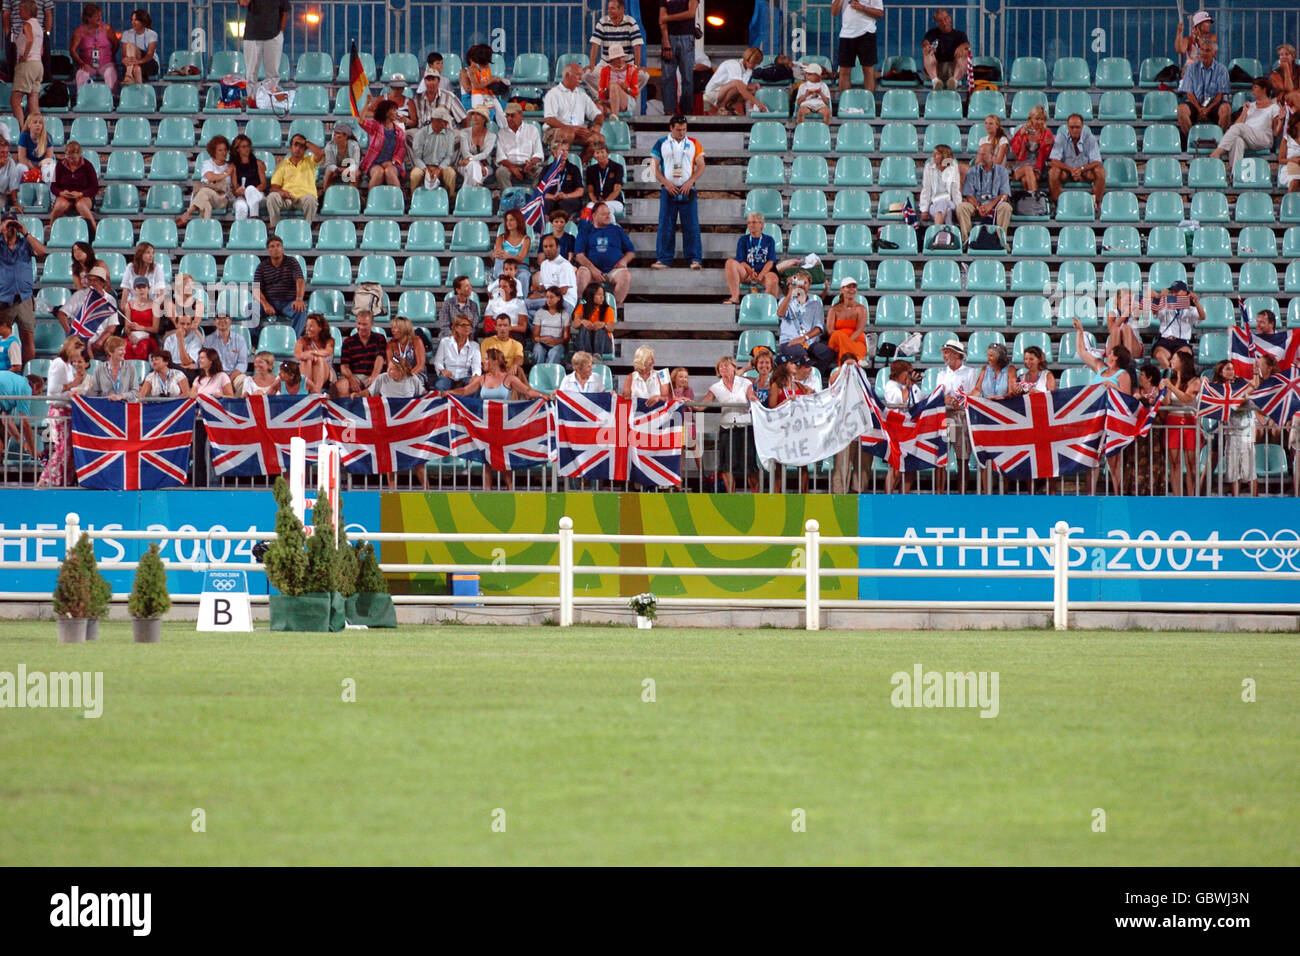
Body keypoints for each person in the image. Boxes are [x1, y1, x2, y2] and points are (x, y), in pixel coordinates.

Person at [444, 348, 549, 490]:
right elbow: (464, 391)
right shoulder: (482, 378)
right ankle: (487, 491)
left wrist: (541, 395)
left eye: (486, 359)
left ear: (495, 361)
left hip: (504, 426)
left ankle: (511, 491)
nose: (483, 362)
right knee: (485, 459)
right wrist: (448, 393)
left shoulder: (509, 378)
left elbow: (527, 391)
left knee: (504, 460)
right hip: (485, 425)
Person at [650, 114, 704, 271]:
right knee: (665, 225)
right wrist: (665, 183)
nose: (682, 133)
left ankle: (694, 259)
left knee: (691, 225)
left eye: (684, 129)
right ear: (671, 128)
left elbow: (701, 165)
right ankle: (664, 259)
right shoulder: (661, 143)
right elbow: (653, 166)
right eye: (679, 129)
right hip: (669, 189)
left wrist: (691, 181)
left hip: (688, 189)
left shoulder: (694, 143)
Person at [36, 337, 87, 487]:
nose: (78, 357)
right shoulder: (58, 364)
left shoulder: (67, 366)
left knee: (69, 451)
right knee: (62, 450)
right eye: (78, 352)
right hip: (59, 411)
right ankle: (45, 479)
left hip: (67, 410)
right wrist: (73, 385)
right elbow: (54, 391)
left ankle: (64, 481)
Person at [706, 355, 759, 493]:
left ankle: (756, 496)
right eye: (720, 366)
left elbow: (750, 395)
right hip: (726, 427)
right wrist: (684, 402)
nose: (723, 368)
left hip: (745, 427)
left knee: (750, 465)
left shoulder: (744, 382)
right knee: (726, 465)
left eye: (726, 365)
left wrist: (753, 398)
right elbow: (702, 405)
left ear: (734, 368)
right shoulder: (715, 387)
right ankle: (731, 497)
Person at [1212, 77, 1282, 171]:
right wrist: (1244, 111)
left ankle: (1217, 152)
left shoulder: (1274, 108)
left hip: (1264, 138)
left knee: (1240, 128)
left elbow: (1275, 132)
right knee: (1237, 140)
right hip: (1248, 137)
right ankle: (1235, 174)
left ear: (1264, 89)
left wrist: (1280, 120)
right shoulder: (1250, 106)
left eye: (1255, 87)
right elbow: (1236, 126)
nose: (1252, 89)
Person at [935, 338, 978, 491]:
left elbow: (973, 395)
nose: (944, 356)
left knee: (962, 458)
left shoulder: (970, 372)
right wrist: (944, 399)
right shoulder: (941, 374)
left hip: (961, 416)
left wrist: (958, 401)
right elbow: (937, 395)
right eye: (944, 353)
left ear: (956, 354)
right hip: (946, 416)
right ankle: (939, 493)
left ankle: (962, 494)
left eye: (946, 352)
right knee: (941, 457)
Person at [0, 208, 42, 364]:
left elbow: (42, 251)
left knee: (28, 337)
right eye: (7, 222)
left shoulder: (25, 243)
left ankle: (27, 375)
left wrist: (26, 233)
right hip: (4, 297)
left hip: (24, 297)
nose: (9, 226)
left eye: (12, 223)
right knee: (3, 336)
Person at [574, 202, 634, 307]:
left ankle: (611, 308)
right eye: (604, 214)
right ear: (594, 216)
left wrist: (623, 261)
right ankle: (583, 307)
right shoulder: (585, 231)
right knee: (581, 273)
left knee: (626, 276)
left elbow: (631, 252)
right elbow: (579, 255)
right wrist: (593, 269)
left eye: (608, 213)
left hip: (613, 270)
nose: (608, 216)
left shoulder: (616, 230)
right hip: (591, 270)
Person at [776, 270, 834, 376]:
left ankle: (814, 377)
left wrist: (804, 338)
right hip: (790, 341)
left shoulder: (816, 304)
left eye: (805, 283)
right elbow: (780, 313)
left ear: (809, 285)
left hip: (808, 342)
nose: (801, 286)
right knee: (800, 353)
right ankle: (801, 379)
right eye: (799, 282)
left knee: (827, 353)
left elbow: (819, 327)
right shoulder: (785, 300)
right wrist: (790, 293)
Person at [1048, 114, 1106, 212]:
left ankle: (1095, 203)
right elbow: (1054, 160)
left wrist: (1081, 169)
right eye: (1072, 127)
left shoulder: (1090, 138)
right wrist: (1071, 170)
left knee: (1100, 171)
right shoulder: (1061, 137)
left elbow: (1097, 161)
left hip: (1085, 172)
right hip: (1066, 172)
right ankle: (1058, 204)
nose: (1075, 130)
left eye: (1077, 127)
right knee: (1053, 172)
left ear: (1082, 127)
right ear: (1067, 127)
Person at [266, 134, 325, 228]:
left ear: (305, 150)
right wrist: (281, 192)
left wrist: (305, 142)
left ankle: (306, 228)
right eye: (295, 145)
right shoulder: (282, 165)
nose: (298, 149)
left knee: (311, 199)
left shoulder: (310, 161)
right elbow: (274, 187)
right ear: (290, 147)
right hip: (287, 199)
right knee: (272, 197)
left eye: (301, 146)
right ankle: (275, 227)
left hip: (303, 199)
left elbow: (320, 154)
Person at [587, 0, 645, 96]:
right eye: (608, 8)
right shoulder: (603, 22)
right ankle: (606, 95)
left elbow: (637, 46)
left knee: (644, 76)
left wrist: (636, 66)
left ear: (622, 9)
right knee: (587, 75)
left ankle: (625, 95)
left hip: (626, 64)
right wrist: (592, 65)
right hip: (606, 64)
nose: (609, 11)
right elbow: (595, 44)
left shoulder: (631, 22)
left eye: (612, 8)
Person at [955, 142, 1011, 243]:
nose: (980, 157)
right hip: (977, 203)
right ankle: (968, 240)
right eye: (979, 154)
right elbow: (969, 194)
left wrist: (990, 205)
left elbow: (1004, 195)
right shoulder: (972, 171)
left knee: (1006, 207)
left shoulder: (1002, 171)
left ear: (992, 155)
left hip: (995, 204)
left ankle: (1000, 240)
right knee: (961, 207)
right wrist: (978, 206)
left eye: (983, 154)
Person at [544, 62, 605, 152]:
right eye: (578, 75)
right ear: (567, 75)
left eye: (581, 75)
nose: (581, 78)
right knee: (568, 134)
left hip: (576, 131)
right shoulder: (553, 93)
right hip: (554, 131)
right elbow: (549, 120)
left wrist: (597, 125)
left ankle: (580, 164)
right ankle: (562, 164)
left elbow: (598, 115)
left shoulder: (582, 95)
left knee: (598, 139)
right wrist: (571, 128)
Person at [252, 236, 307, 335]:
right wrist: (265, 304)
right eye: (272, 246)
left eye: (278, 245)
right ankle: (255, 342)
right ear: (268, 250)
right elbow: (256, 289)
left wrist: (299, 299)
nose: (276, 248)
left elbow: (300, 280)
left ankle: (294, 341)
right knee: (250, 308)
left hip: (288, 303)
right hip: (269, 302)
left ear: (283, 248)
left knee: (301, 310)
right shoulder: (262, 266)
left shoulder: (292, 262)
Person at [1177, 40, 1231, 137]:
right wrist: (1199, 108)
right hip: (1195, 103)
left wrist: (1208, 109)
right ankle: (1191, 139)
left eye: (1207, 50)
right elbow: (1189, 93)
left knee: (1226, 109)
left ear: (1215, 53)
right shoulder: (1191, 69)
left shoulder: (1222, 69)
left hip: (1214, 105)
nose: (1203, 53)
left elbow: (1220, 94)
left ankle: (1220, 139)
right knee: (1181, 109)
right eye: (1202, 50)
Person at [724, 212, 779, 304]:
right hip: (747, 273)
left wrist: (761, 275)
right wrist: (750, 271)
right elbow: (741, 260)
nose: (751, 225)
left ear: (761, 224)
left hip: (763, 273)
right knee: (730, 263)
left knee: (773, 279)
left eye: (754, 222)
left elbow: (770, 261)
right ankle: (735, 297)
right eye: (749, 223)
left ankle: (767, 306)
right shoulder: (743, 240)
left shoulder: (769, 240)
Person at [176, 136, 232, 226]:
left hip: (221, 198)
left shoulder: (230, 166)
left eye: (225, 150)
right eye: (220, 150)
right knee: (207, 206)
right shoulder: (208, 163)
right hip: (206, 198)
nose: (224, 153)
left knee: (204, 191)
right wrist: (226, 174)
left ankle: (187, 213)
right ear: (214, 152)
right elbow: (210, 177)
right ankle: (206, 229)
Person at [240, 0, 289, 105]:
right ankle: (252, 101)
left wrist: (281, 31)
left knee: (273, 74)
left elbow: (285, 10)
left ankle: (268, 101)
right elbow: (243, 2)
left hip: (274, 35)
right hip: (252, 35)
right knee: (251, 74)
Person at [1150, 281, 1204, 369]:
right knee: (1160, 355)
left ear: (1185, 292)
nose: (1174, 294)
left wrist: (1196, 303)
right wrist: (1160, 297)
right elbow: (1155, 311)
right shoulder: (1165, 304)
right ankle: (1171, 376)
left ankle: (1174, 378)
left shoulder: (1191, 309)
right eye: (1172, 292)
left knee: (1183, 356)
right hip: (1165, 340)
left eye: (1177, 291)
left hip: (1181, 342)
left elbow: (1202, 317)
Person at [334, 310, 386, 398]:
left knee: (380, 387)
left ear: (371, 324)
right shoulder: (348, 342)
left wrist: (374, 376)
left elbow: (380, 359)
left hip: (375, 375)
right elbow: (344, 367)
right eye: (359, 324)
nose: (361, 327)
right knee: (341, 386)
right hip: (355, 375)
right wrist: (351, 379)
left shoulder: (379, 338)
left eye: (365, 324)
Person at [834, 0, 883, 93]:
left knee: (868, 71)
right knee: (844, 71)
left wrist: (863, 8)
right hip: (846, 34)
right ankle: (845, 104)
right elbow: (834, 12)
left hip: (867, 33)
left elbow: (880, 13)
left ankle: (868, 104)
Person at [1074, 317, 1133, 395]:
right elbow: (1082, 352)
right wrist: (1080, 330)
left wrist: (1114, 387)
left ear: (1116, 357)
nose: (1108, 355)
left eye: (1111, 353)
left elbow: (1127, 398)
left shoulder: (1123, 375)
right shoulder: (1100, 367)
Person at [50, 141, 99, 234]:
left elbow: (95, 187)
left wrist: (81, 194)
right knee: (59, 206)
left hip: (83, 196)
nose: (71, 160)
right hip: (65, 196)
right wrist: (61, 193)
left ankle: (94, 231)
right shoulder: (60, 165)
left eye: (74, 158)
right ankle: (52, 231)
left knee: (81, 205)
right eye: (68, 157)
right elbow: (53, 187)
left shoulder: (88, 166)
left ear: (80, 155)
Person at [659, 0, 698, 116]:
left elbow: (691, 13)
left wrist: (668, 18)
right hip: (669, 38)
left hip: (687, 37)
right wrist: (666, 42)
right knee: (667, 76)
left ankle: (686, 110)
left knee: (687, 76)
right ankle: (669, 110)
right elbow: (661, 19)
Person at [494, 102, 544, 191]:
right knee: (500, 172)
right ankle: (509, 197)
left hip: (528, 165)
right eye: (507, 116)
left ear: (521, 115)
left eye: (512, 115)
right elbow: (501, 157)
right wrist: (512, 167)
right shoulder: (502, 132)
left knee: (542, 172)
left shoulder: (532, 130)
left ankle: (533, 197)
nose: (509, 119)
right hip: (509, 166)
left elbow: (539, 153)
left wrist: (531, 163)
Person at [359, 98, 407, 190]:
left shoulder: (399, 131)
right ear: (386, 112)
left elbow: (401, 150)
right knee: (378, 173)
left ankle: (398, 200)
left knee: (389, 171)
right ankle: (370, 200)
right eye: (393, 110)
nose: (395, 112)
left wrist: (392, 162)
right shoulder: (376, 126)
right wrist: (366, 103)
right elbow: (360, 121)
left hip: (391, 164)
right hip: (374, 163)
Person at [408, 107, 457, 195]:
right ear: (434, 121)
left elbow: (449, 156)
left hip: (441, 165)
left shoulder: (449, 135)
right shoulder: (421, 133)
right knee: (415, 175)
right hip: (423, 165)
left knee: (451, 174)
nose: (446, 124)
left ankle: (450, 200)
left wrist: (440, 168)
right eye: (444, 121)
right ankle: (413, 198)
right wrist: (425, 169)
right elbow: (417, 157)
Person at [703, 47, 766, 116]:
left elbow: (744, 90)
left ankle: (728, 106)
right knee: (737, 85)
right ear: (747, 59)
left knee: (754, 87)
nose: (755, 66)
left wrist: (754, 100)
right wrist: (757, 103)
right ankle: (722, 107)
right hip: (712, 94)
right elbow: (739, 87)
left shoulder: (749, 70)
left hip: (724, 92)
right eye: (754, 63)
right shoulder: (734, 64)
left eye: (757, 64)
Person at [922, 7, 971, 92]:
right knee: (927, 52)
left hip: (953, 69)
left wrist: (963, 46)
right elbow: (925, 42)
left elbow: (967, 44)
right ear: (937, 22)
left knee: (964, 52)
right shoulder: (932, 33)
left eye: (945, 19)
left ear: (949, 18)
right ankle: (935, 81)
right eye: (940, 21)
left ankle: (954, 81)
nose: (944, 23)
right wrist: (927, 46)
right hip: (935, 68)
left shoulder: (960, 35)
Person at [1008, 105, 1053, 195]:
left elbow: (1048, 156)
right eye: (1037, 119)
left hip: (1037, 167)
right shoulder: (1023, 130)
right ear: (1031, 118)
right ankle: (1036, 199)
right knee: (1028, 169)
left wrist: (1049, 145)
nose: (1039, 122)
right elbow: (1015, 150)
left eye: (1042, 119)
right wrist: (1020, 136)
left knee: (1025, 179)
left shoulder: (1047, 133)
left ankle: (1029, 202)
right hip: (1020, 167)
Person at [70, 3, 117, 90]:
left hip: (105, 64)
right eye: (96, 16)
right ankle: (81, 99)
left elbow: (116, 44)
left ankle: (111, 99)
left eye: (100, 15)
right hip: (87, 65)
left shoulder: (107, 28)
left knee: (110, 73)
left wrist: (109, 56)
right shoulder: (79, 31)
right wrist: (82, 64)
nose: (100, 18)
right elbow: (72, 50)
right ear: (88, 18)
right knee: (81, 74)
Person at [8, 0, 40, 124]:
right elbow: (41, 49)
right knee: (33, 102)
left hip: (28, 65)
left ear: (27, 11)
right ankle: (37, 133)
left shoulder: (27, 25)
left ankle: (22, 130)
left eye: (21, 10)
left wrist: (24, 56)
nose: (19, 12)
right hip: (38, 65)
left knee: (15, 100)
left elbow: (30, 39)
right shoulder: (39, 27)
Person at [530, 233, 579, 315]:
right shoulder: (543, 264)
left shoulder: (564, 264)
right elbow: (542, 288)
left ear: (558, 247)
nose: (548, 249)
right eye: (545, 247)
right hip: (549, 299)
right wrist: (536, 291)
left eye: (551, 246)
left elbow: (563, 291)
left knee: (526, 305)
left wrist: (543, 296)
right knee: (528, 312)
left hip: (565, 301)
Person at [540, 133, 585, 220]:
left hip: (568, 198)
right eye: (562, 150)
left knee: (566, 203)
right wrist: (552, 197)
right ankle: (546, 228)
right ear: (554, 153)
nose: (565, 153)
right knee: (546, 203)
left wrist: (566, 196)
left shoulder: (573, 169)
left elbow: (580, 191)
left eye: (566, 150)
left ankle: (565, 227)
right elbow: (540, 191)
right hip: (551, 198)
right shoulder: (547, 170)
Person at [432, 314, 480, 392]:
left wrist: (475, 375)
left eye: (469, 325)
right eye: (463, 325)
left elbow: (476, 366)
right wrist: (443, 370)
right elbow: (438, 362)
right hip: (448, 377)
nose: (467, 327)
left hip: (465, 377)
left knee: (474, 386)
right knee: (440, 385)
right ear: (456, 328)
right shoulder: (445, 342)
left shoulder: (475, 345)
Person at [826, 276, 869, 362]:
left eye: (854, 287)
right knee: (838, 334)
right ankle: (859, 357)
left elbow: (859, 330)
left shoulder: (861, 309)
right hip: (836, 341)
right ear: (841, 290)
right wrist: (843, 340)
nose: (852, 289)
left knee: (849, 350)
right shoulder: (834, 309)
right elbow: (830, 330)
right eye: (848, 287)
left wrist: (846, 343)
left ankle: (844, 366)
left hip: (856, 340)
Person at [203, 314, 249, 393]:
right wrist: (220, 378)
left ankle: (237, 404)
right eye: (219, 318)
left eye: (225, 318)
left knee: (243, 380)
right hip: (215, 375)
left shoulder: (239, 340)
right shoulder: (208, 340)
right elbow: (206, 363)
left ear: (230, 321)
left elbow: (242, 363)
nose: (222, 321)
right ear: (215, 322)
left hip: (234, 376)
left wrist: (229, 379)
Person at [82, 335, 138, 400]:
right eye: (121, 349)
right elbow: (94, 392)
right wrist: (82, 393)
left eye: (124, 349)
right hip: (106, 407)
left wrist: (121, 396)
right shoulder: (99, 369)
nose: (124, 352)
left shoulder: (130, 367)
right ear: (110, 352)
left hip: (124, 406)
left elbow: (135, 391)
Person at [229, 133, 269, 221]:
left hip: (258, 194)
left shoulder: (258, 163)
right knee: (241, 206)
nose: (247, 149)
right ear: (237, 149)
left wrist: (248, 192)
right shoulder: (234, 166)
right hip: (241, 196)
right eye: (243, 147)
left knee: (250, 189)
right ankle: (240, 230)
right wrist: (239, 192)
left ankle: (253, 218)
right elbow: (235, 189)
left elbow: (263, 185)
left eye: (248, 146)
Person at [919, 144, 961, 225]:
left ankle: (937, 232)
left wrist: (958, 208)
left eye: (937, 153)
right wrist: (924, 210)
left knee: (944, 204)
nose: (934, 156)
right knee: (946, 211)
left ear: (944, 156)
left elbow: (955, 190)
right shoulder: (929, 167)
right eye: (934, 153)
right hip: (934, 204)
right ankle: (948, 232)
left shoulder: (953, 168)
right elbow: (926, 189)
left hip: (949, 202)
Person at [491, 208, 532, 291]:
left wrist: (508, 256)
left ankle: (521, 301)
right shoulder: (500, 238)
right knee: (500, 262)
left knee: (523, 276)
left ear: (518, 221)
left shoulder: (526, 239)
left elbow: (521, 259)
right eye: (507, 220)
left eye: (511, 220)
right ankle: (502, 296)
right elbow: (499, 254)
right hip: (504, 267)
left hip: (520, 267)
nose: (508, 223)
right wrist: (493, 255)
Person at [570, 283, 615, 357]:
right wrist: (583, 322)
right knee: (584, 327)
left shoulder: (608, 309)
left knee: (600, 330)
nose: (602, 297)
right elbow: (575, 324)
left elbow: (611, 328)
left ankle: (597, 357)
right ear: (590, 295)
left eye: (603, 295)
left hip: (604, 345)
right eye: (598, 295)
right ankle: (583, 356)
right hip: (586, 342)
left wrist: (603, 324)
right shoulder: (582, 307)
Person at [455, 106, 496, 189]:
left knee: (473, 167)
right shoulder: (464, 133)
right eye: (473, 114)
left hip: (485, 166)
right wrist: (477, 163)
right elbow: (465, 152)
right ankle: (477, 188)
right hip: (464, 165)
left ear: (484, 118)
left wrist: (472, 160)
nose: (475, 116)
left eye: (478, 114)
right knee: (473, 167)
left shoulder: (492, 136)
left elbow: (485, 154)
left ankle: (466, 195)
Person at [294, 314, 335, 394]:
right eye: (307, 326)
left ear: (320, 328)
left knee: (319, 359)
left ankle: (317, 391)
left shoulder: (329, 341)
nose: (307, 329)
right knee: (307, 360)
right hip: (306, 368)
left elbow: (327, 352)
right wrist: (309, 356)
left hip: (327, 373)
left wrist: (313, 353)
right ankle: (305, 391)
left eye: (311, 326)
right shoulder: (302, 341)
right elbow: (297, 355)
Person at [121, 277, 160, 359]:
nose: (141, 290)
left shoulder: (155, 306)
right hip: (132, 336)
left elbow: (155, 329)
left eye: (144, 287)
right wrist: (130, 337)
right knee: (125, 345)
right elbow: (127, 327)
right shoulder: (129, 305)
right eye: (139, 287)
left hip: (147, 337)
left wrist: (142, 328)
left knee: (143, 346)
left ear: (148, 288)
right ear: (135, 289)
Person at [531, 286, 571, 366]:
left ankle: (550, 375)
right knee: (538, 351)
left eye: (552, 297)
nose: (549, 300)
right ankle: (538, 375)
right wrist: (543, 339)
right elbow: (535, 335)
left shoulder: (564, 314)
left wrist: (555, 341)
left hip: (558, 343)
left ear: (558, 298)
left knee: (554, 353)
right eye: (547, 297)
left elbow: (566, 337)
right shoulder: (540, 312)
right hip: (542, 341)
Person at [598, 44, 640, 116]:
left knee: (614, 86)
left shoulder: (632, 69)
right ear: (612, 59)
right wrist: (607, 88)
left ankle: (615, 116)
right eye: (617, 58)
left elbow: (635, 93)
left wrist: (626, 88)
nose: (620, 60)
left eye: (622, 57)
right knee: (598, 106)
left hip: (626, 101)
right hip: (609, 99)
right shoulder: (605, 70)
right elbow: (601, 94)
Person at [584, 142, 625, 217]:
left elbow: (616, 190)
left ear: (607, 153)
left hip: (614, 201)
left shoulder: (617, 167)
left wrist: (604, 202)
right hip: (596, 202)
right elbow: (590, 191)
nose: (600, 155)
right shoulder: (590, 169)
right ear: (593, 155)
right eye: (597, 153)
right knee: (588, 208)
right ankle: (587, 228)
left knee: (606, 209)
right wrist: (596, 202)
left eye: (602, 152)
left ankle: (610, 228)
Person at [387, 317, 427, 391]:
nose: (392, 330)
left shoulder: (417, 341)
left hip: (416, 374)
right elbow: (390, 366)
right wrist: (398, 377)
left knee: (409, 384)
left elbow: (420, 365)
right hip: (397, 375)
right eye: (392, 328)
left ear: (404, 329)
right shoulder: (390, 344)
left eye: (395, 328)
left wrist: (406, 377)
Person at [120, 8, 159, 86]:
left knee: (131, 46)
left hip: (148, 62)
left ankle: (128, 75)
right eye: (132, 20)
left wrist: (138, 61)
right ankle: (140, 95)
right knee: (136, 69)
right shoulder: (126, 34)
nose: (133, 22)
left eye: (136, 20)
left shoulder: (152, 34)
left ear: (143, 22)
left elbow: (150, 54)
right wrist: (124, 60)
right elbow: (124, 55)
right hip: (131, 64)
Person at [1105, 287, 1146, 360]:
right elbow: (1111, 331)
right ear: (1118, 300)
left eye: (1131, 299)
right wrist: (1124, 315)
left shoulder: (1135, 311)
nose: (1129, 301)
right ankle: (1114, 361)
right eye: (1126, 298)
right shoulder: (1112, 313)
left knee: (1126, 328)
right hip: (1115, 347)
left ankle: (1129, 363)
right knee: (1116, 330)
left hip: (1134, 348)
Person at [321, 121, 361, 192]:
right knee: (328, 171)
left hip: (349, 169)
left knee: (356, 174)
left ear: (346, 136)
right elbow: (330, 164)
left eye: (338, 134)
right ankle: (325, 193)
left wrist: (346, 170)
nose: (335, 136)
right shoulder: (329, 146)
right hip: (336, 169)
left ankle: (352, 194)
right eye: (335, 133)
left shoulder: (354, 145)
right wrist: (339, 170)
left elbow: (355, 164)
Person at [436, 274, 480, 339]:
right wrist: (454, 337)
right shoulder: (448, 303)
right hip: (450, 337)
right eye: (466, 286)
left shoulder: (473, 305)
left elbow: (474, 326)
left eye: (470, 285)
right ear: (458, 290)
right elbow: (444, 324)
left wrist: (464, 336)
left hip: (467, 337)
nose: (470, 288)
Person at [485, 275, 528, 340]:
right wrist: (500, 329)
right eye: (500, 286)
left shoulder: (520, 304)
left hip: (513, 333)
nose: (501, 289)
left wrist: (508, 328)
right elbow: (487, 323)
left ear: (511, 288)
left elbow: (523, 328)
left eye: (504, 286)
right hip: (496, 333)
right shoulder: (493, 302)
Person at [161, 311, 203, 378]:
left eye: (188, 324)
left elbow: (187, 362)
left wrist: (180, 340)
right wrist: (181, 365)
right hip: (171, 368)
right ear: (176, 324)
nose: (185, 327)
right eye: (182, 324)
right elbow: (166, 361)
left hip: (187, 372)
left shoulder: (196, 339)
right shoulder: (169, 339)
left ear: (191, 324)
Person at [1280, 107, 1300, 192]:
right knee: (1295, 181)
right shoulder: (1286, 139)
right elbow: (1281, 160)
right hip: (1290, 167)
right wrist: (1293, 160)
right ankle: (1289, 204)